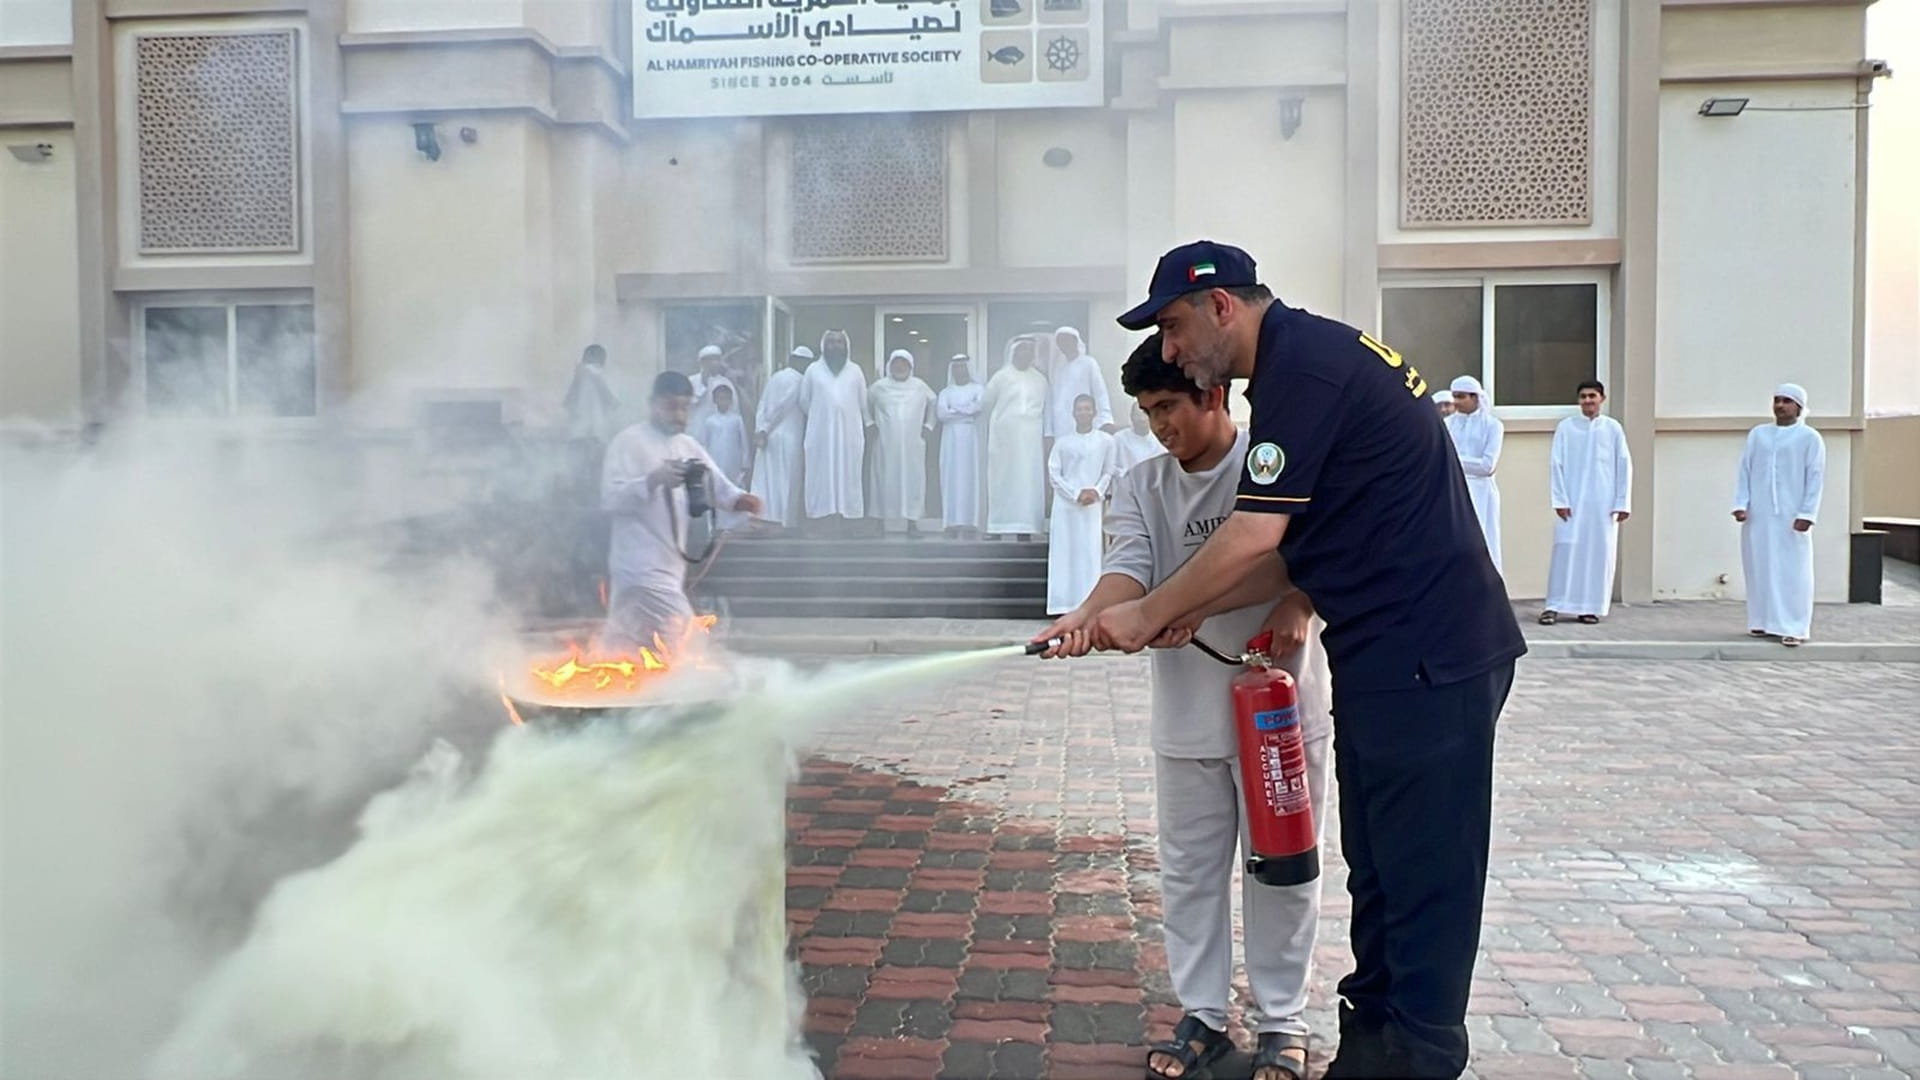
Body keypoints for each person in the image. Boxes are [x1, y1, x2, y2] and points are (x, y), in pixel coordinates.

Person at [1096, 241, 1525, 1079]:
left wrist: (1152, 609)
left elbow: (1253, 533)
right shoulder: (1306, 366)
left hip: (1432, 654)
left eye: (1176, 327)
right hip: (1385, 654)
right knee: (1382, 870)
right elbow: (1287, 556)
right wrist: (1165, 612)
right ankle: (1371, 1045)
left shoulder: (1305, 375)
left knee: (1424, 879)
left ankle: (1418, 1055)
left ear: (1223, 306)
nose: (1172, 350)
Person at [1035, 334, 1331, 1080]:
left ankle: (1281, 1021)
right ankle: (1203, 1013)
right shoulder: (1142, 485)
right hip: (1190, 718)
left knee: (1282, 872)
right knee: (1191, 872)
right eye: (1147, 411)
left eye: (1169, 406)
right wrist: (1083, 619)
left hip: (1279, 718)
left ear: (1214, 394)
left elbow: (1308, 554)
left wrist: (1300, 601)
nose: (1160, 425)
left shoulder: (1268, 463)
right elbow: (1127, 573)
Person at [599, 371, 763, 654]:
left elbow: (719, 487)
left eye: (684, 407)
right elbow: (611, 498)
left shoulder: (688, 446)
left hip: (670, 567)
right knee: (688, 641)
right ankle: (697, 691)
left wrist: (742, 501)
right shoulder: (628, 442)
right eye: (671, 406)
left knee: (627, 648)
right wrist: (653, 481)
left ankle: (614, 694)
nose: (678, 414)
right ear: (653, 405)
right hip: (639, 569)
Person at [1734, 382, 1826, 646]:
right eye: (1777, 400)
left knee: (1793, 571)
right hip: (1759, 515)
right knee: (1759, 566)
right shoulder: (1758, 435)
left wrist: (1808, 513)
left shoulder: (1810, 438)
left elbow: (1815, 478)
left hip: (1792, 516)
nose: (1780, 405)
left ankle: (1794, 627)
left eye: (1787, 401)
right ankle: (1762, 621)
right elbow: (1745, 470)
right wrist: (1741, 503)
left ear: (1799, 406)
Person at [1541, 381, 1631, 626]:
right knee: (1565, 551)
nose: (1587, 401)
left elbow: (1623, 465)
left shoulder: (1612, 429)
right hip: (1572, 501)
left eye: (1592, 396)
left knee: (1599, 555)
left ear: (1602, 398)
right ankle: (1554, 606)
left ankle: (1590, 607)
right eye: (1583, 396)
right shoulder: (1567, 428)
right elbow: (1556, 464)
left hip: (1603, 505)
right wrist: (1559, 499)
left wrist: (1622, 502)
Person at [1045, 394, 1116, 613]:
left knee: (1089, 553)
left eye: (1087, 409)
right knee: (1064, 553)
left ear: (1094, 412)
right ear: (1073, 413)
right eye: (1080, 409)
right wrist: (1076, 493)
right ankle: (1062, 604)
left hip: (1092, 506)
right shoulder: (1063, 442)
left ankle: (1089, 605)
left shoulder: (1106, 441)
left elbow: (1109, 471)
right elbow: (1054, 473)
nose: (1084, 413)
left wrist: (1095, 491)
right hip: (1066, 507)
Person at [799, 330, 868, 530]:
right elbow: (804, 401)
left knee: (848, 474)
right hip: (821, 434)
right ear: (823, 346)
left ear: (846, 346)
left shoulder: (855, 371)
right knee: (821, 474)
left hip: (849, 434)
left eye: (839, 342)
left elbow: (863, 402)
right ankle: (821, 520)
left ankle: (847, 521)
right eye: (831, 342)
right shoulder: (813, 370)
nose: (835, 346)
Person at [982, 336, 1049, 541]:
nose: (1025, 354)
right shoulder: (1001, 377)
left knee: (1028, 483)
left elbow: (1045, 409)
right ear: (1013, 353)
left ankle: (1026, 528)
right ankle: (997, 527)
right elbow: (986, 403)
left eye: (1029, 351)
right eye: (1021, 350)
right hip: (1004, 441)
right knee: (1002, 481)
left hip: (1030, 442)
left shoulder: (1040, 379)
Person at [866, 349, 937, 537]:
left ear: (910, 366)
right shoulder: (879, 386)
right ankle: (880, 523)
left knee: (913, 481)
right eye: (896, 363)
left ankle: (912, 523)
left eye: (903, 363)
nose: (899, 366)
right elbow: (863, 403)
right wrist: (869, 423)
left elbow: (934, 403)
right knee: (883, 479)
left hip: (913, 445)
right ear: (890, 365)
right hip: (885, 444)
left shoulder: (920, 386)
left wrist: (929, 426)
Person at [1446, 375, 1504, 574]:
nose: (1456, 402)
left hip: (1483, 493)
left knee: (1485, 541)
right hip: (1454, 490)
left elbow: (1488, 466)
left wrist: (1454, 461)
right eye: (1455, 396)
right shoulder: (1448, 424)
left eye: (1461, 397)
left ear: (1475, 397)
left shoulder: (1493, 425)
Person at [749, 345, 811, 529]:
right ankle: (784, 520)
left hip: (769, 435)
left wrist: (760, 428)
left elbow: (762, 404)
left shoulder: (775, 377)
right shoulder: (799, 380)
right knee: (787, 479)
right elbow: (782, 406)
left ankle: (765, 517)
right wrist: (766, 429)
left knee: (767, 479)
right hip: (787, 435)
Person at [1043, 326, 1116, 458]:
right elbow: (1050, 399)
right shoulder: (1057, 366)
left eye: (1068, 341)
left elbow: (1100, 394)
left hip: (1084, 420)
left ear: (1076, 341)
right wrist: (1048, 432)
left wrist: (1105, 420)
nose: (1065, 345)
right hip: (1061, 426)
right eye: (1061, 342)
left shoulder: (1089, 363)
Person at [936, 354, 985, 537]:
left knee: (969, 476)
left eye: (963, 367)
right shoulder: (945, 392)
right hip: (950, 438)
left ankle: (970, 521)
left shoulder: (978, 388)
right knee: (951, 476)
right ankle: (951, 521)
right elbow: (942, 414)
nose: (959, 371)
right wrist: (965, 411)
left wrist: (955, 410)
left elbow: (978, 407)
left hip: (970, 436)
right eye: (956, 367)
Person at [698, 382, 751, 532]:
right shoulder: (710, 421)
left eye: (727, 399)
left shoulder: (737, 419)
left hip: (734, 461)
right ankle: (718, 524)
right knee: (717, 491)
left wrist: (745, 463)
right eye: (721, 399)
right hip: (716, 461)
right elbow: (705, 444)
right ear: (715, 401)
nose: (724, 402)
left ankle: (736, 524)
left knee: (734, 489)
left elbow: (744, 442)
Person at [688, 345, 735, 434]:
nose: (714, 363)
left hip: (718, 433)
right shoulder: (691, 381)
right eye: (710, 360)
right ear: (702, 362)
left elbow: (733, 408)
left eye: (717, 359)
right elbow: (689, 404)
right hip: (696, 430)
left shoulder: (726, 383)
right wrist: (704, 384)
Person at [1113, 400, 1167, 476]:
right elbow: (1110, 466)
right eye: (1138, 415)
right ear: (1131, 417)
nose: (1142, 419)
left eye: (1144, 415)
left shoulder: (1160, 438)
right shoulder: (1119, 438)